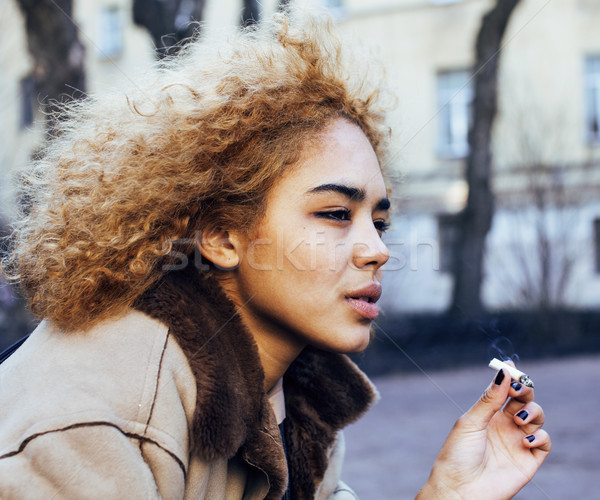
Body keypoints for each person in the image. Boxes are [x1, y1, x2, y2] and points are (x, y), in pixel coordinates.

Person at [0, 8, 550, 499]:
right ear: (221, 237)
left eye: (380, 222)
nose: (378, 250)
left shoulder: (299, 399)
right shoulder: (97, 416)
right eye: (336, 214)